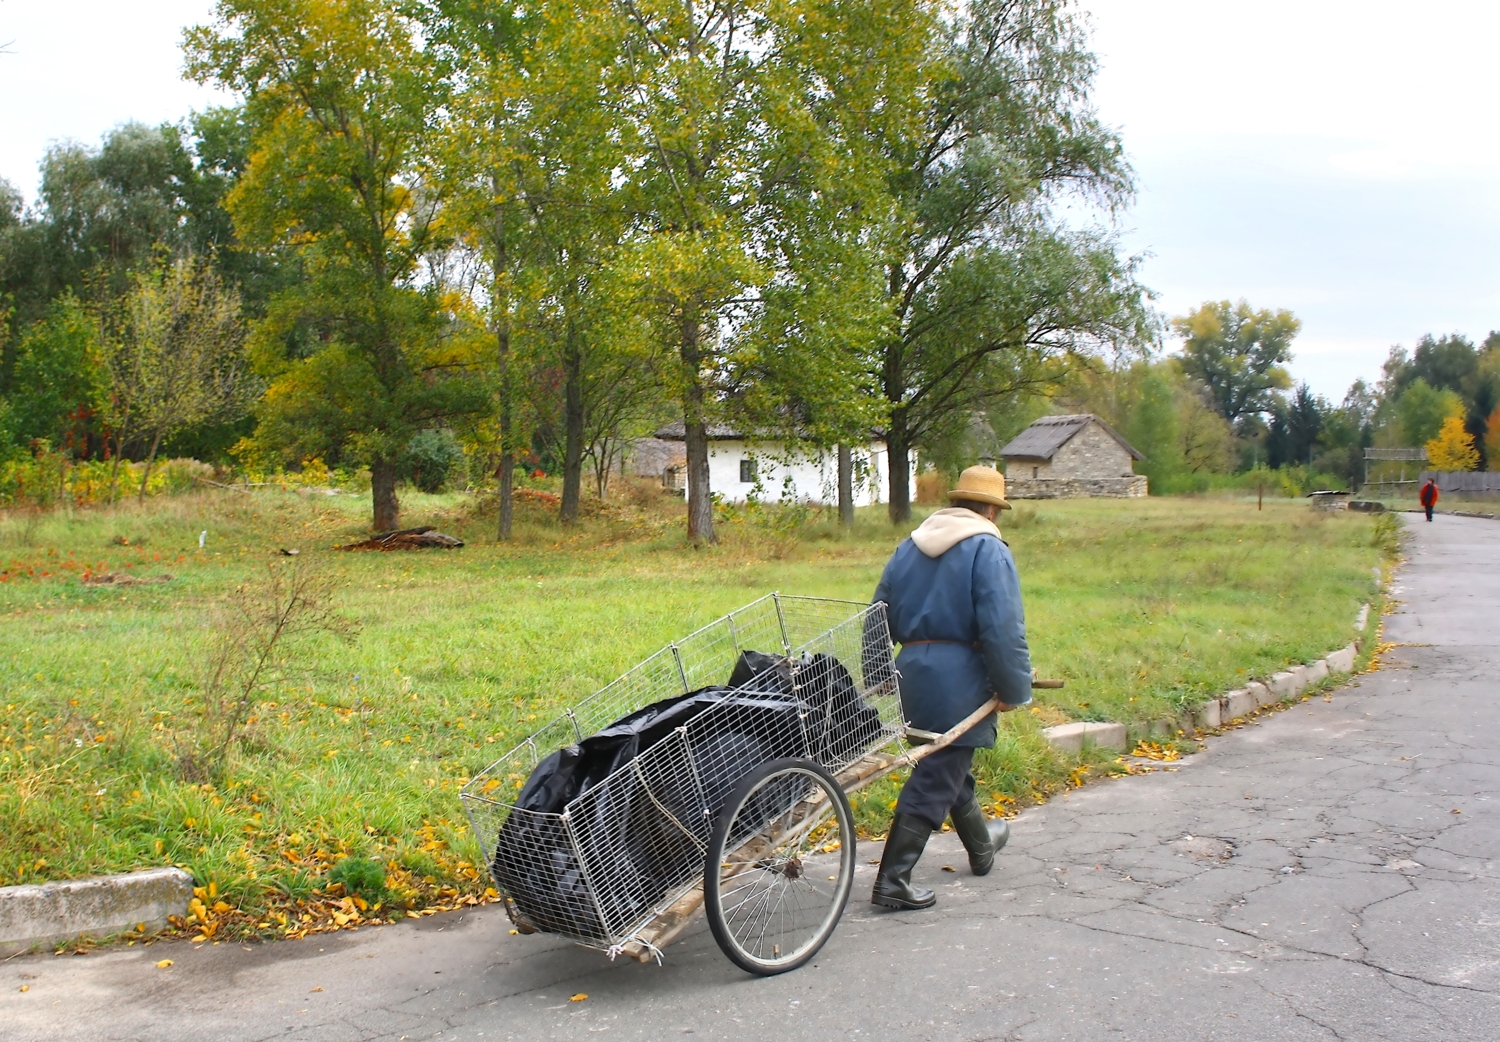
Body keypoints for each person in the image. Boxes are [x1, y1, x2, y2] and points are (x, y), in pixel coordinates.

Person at [869, 465, 1033, 910]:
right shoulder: (988, 548)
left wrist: (879, 672)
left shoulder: (910, 547)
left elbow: (876, 614)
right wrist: (1014, 688)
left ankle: (982, 846)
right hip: (960, 675)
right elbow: (1002, 628)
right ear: (990, 510)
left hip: (913, 674)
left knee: (946, 760)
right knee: (938, 772)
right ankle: (893, 880)